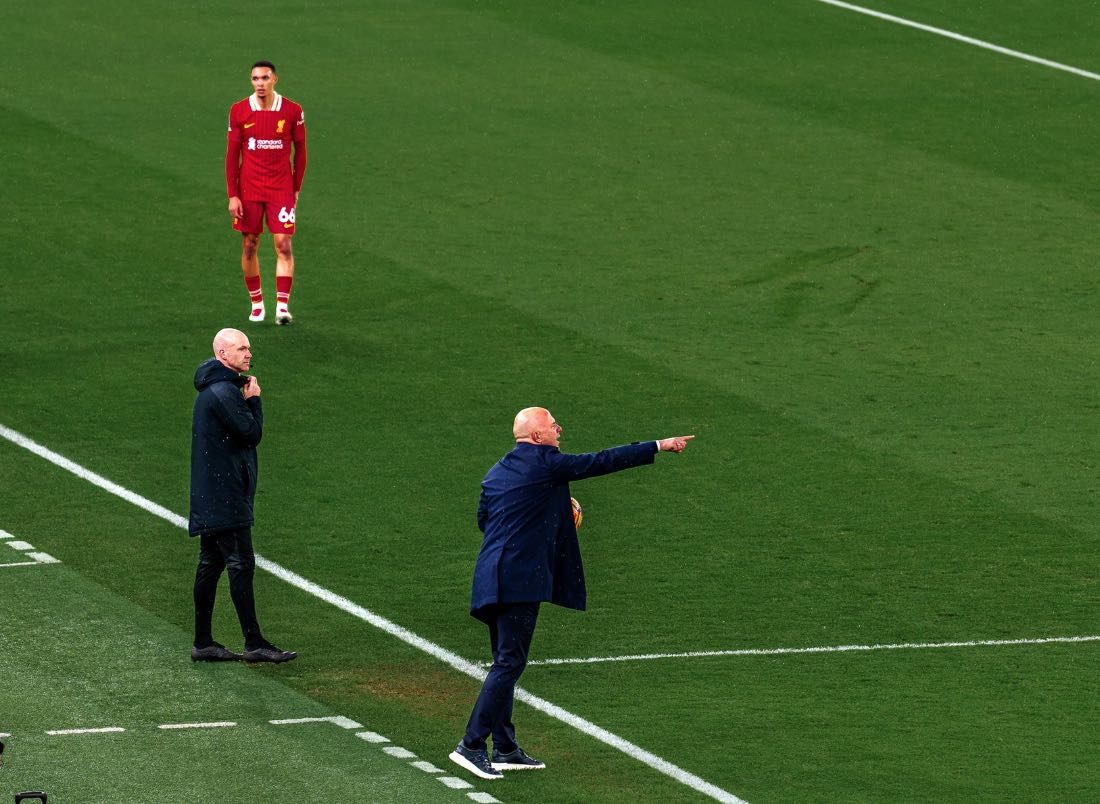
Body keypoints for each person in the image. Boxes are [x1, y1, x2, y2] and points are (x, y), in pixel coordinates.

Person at [448, 407, 694, 779]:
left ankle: (505, 747)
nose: (558, 430)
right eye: (552, 426)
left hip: (489, 580)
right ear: (536, 437)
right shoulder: (548, 463)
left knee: (504, 660)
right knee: (509, 664)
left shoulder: (497, 471)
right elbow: (601, 462)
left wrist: (542, 520)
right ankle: (471, 744)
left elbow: (487, 521)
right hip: (518, 583)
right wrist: (658, 445)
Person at [189, 328, 297, 663]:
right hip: (225, 496)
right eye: (241, 349)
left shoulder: (217, 387)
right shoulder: (224, 392)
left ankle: (203, 642)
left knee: (210, 565)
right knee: (240, 564)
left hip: (212, 494)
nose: (248, 353)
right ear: (222, 354)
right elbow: (251, 433)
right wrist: (254, 400)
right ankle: (253, 643)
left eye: (249, 348)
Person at [225, 60, 307, 326]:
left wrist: (296, 188)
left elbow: (301, 152)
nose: (259, 83)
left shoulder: (292, 111)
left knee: (283, 244)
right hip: (249, 190)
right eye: (255, 79)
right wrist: (233, 194)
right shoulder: (239, 111)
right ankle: (257, 303)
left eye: (264, 78)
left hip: (280, 188)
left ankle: (282, 306)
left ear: (275, 80)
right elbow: (232, 156)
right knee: (250, 244)